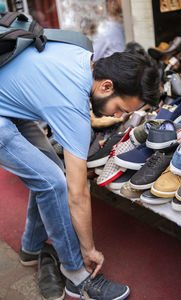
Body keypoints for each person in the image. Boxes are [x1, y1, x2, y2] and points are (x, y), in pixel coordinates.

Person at [0, 40, 160, 299]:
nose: (119, 117)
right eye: (120, 108)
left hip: (8, 103)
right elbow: (77, 193)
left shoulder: (82, 54)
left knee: (47, 171)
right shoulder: (72, 103)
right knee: (53, 182)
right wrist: (89, 250)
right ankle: (77, 275)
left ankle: (30, 248)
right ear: (106, 85)